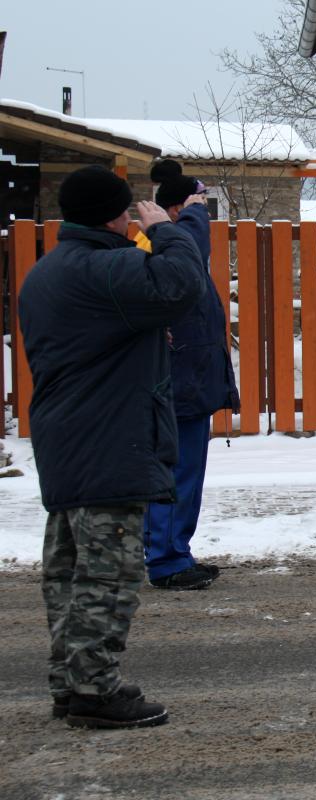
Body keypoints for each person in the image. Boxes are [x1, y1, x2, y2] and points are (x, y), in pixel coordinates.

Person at [19, 164, 207, 727]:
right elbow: (181, 284)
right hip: (109, 440)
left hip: (66, 439)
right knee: (108, 574)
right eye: (127, 210)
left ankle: (71, 683)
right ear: (114, 214)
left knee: (68, 573)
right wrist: (167, 228)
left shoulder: (49, 271)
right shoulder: (106, 269)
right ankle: (96, 692)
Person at [140, 160, 240, 591]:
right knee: (175, 473)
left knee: (183, 473)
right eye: (200, 206)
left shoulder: (171, 247)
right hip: (178, 384)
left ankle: (173, 551)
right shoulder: (168, 245)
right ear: (177, 211)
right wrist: (196, 210)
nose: (206, 218)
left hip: (189, 382)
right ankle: (167, 560)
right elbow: (194, 240)